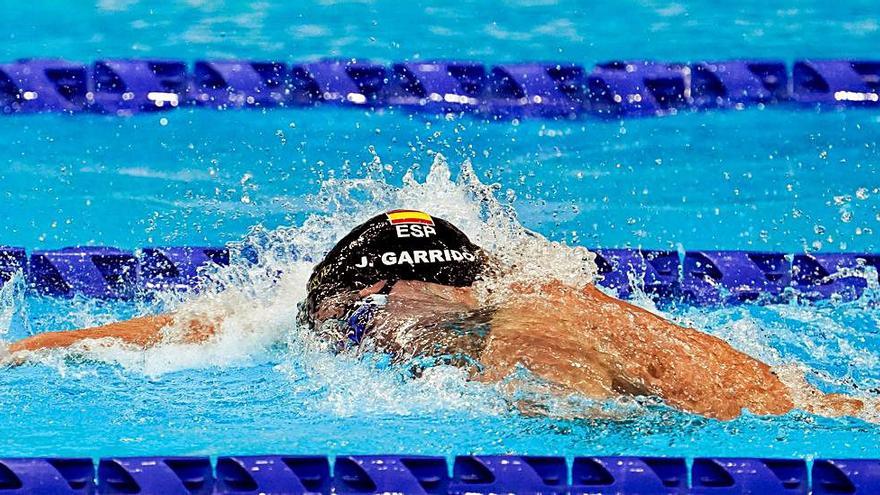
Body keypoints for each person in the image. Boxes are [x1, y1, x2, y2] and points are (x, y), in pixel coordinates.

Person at [4, 209, 869, 420]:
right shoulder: (386, 305)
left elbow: (568, 418)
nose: (351, 346)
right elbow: (177, 332)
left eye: (352, 327)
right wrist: (25, 350)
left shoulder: (536, 324)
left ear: (408, 299)